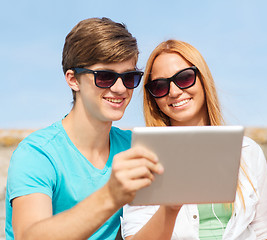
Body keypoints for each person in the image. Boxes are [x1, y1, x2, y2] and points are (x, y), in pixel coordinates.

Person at [5, 17, 163, 240]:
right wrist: (111, 196)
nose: (120, 88)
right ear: (73, 80)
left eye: (129, 77)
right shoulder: (36, 154)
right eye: (105, 76)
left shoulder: (135, 146)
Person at [121, 40, 267, 240]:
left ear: (203, 79)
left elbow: (265, 234)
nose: (174, 92)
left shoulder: (248, 151)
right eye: (159, 86)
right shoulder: (142, 160)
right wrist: (170, 207)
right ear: (153, 99)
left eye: (184, 78)